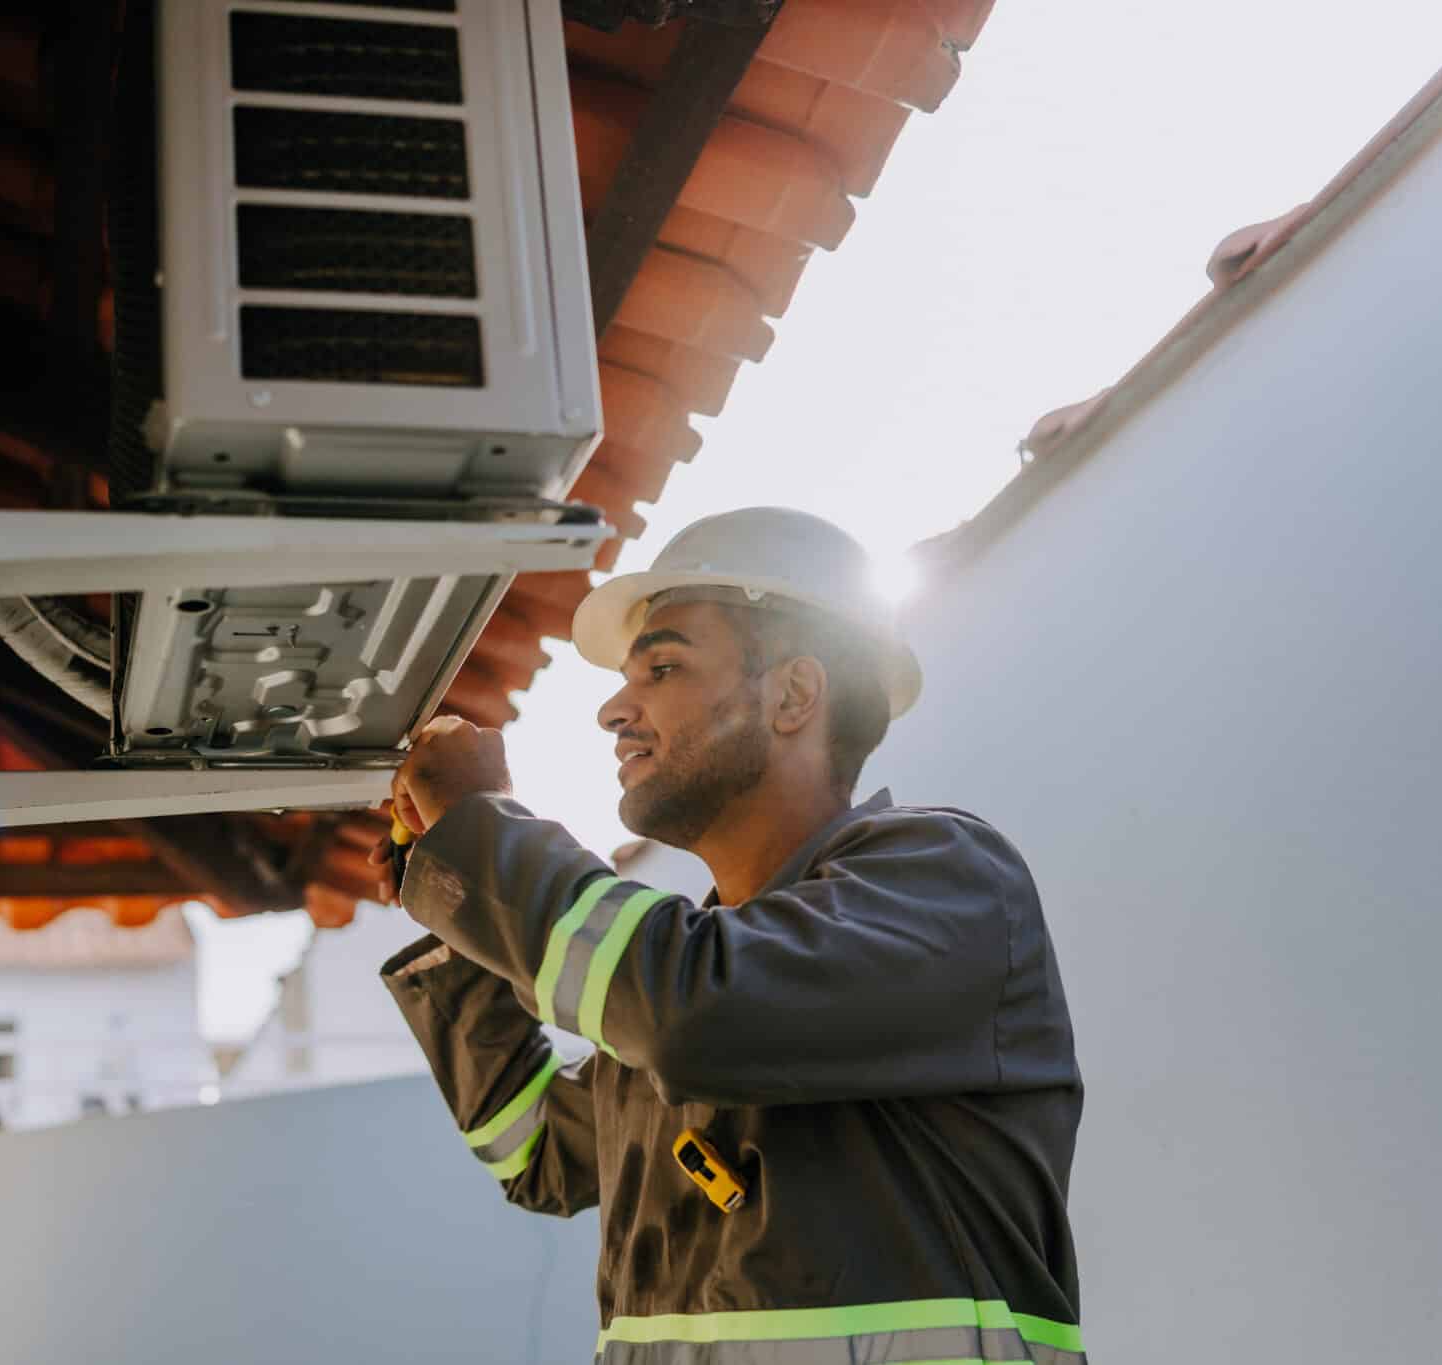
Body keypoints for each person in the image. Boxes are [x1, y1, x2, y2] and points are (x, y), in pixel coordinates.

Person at [373, 507, 1086, 1363]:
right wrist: (459, 923)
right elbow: (535, 1151)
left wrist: (484, 836)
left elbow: (691, 1007)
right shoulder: (698, 973)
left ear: (793, 694)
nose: (612, 708)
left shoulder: (946, 878)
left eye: (662, 666)